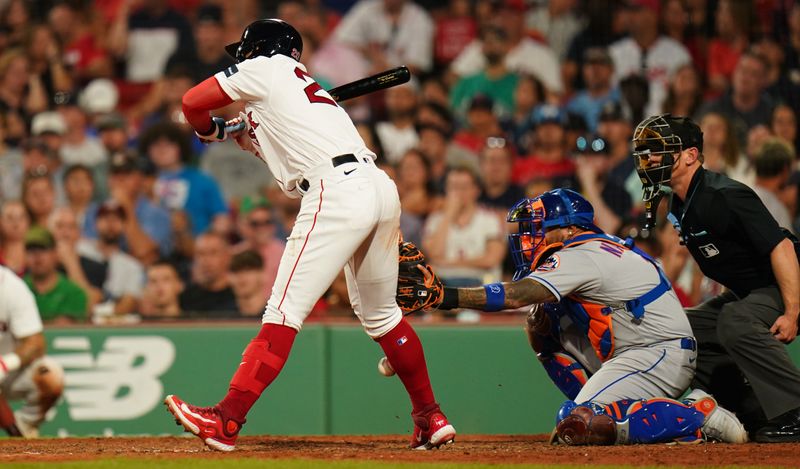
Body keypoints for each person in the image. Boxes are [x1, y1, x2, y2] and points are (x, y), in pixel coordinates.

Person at [166, 19, 455, 452]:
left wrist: (208, 129)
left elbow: (192, 103)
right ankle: (431, 418)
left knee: (282, 311)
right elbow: (274, 143)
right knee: (381, 316)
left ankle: (226, 420)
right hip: (377, 186)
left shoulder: (266, 67)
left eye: (244, 51)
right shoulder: (306, 92)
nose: (241, 58)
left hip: (335, 190)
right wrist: (244, 131)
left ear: (259, 49)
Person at [397, 188, 747, 445]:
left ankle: (696, 415)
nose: (528, 240)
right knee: (542, 322)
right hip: (636, 351)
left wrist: (444, 296)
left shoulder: (582, 252)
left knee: (577, 423)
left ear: (567, 229)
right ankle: (611, 412)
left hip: (657, 352)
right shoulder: (590, 248)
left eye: (539, 229)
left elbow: (517, 294)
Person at [632, 114, 800, 442]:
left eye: (658, 149)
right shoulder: (680, 204)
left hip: (788, 281)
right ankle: (750, 409)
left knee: (734, 319)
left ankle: (795, 409)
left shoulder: (724, 194)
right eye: (646, 151)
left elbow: (781, 246)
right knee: (682, 328)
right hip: (753, 289)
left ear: (690, 155)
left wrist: (792, 311)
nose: (649, 158)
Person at [0, 264, 64, 438]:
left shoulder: (11, 287)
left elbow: (36, 343)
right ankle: (16, 433)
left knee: (49, 374)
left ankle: (25, 425)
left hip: (9, 372)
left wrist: (5, 365)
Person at [77, 200, 145, 317]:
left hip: (115, 323)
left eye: (116, 220)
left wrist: (100, 314)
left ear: (124, 225)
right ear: (95, 223)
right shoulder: (80, 250)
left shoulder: (132, 266)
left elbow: (129, 302)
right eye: (105, 219)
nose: (110, 224)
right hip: (81, 316)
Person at [23, 226, 88, 323]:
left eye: (43, 249)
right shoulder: (17, 289)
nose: (37, 255)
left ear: (55, 253)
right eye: (31, 250)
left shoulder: (74, 293)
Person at [178, 231, 237, 315]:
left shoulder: (239, 297)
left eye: (213, 253)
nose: (206, 261)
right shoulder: (185, 299)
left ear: (227, 257)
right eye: (201, 254)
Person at [229, 250, 267, 317]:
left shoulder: (277, 316)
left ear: (262, 274)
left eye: (248, 270)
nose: (241, 277)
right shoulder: (221, 315)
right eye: (236, 271)